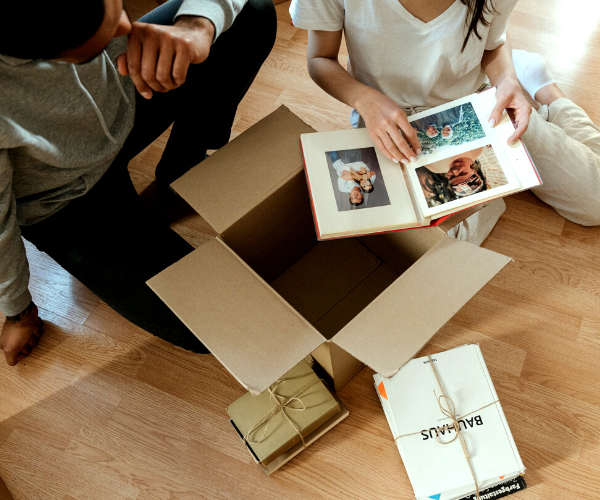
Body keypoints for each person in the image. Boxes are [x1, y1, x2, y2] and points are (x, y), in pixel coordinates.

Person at [0, 0, 277, 366]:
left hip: (124, 98)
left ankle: (184, 162)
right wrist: (17, 309)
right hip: (63, 200)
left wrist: (196, 26)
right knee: (215, 323)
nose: (126, 30)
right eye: (96, 48)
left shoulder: (114, 34)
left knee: (252, 11)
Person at [290, 0, 600, 225]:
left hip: (479, 104)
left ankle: (546, 90)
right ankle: (533, 83)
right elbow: (319, 58)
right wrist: (365, 99)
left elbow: (493, 44)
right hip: (388, 121)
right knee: (431, 240)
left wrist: (507, 80)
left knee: (594, 202)